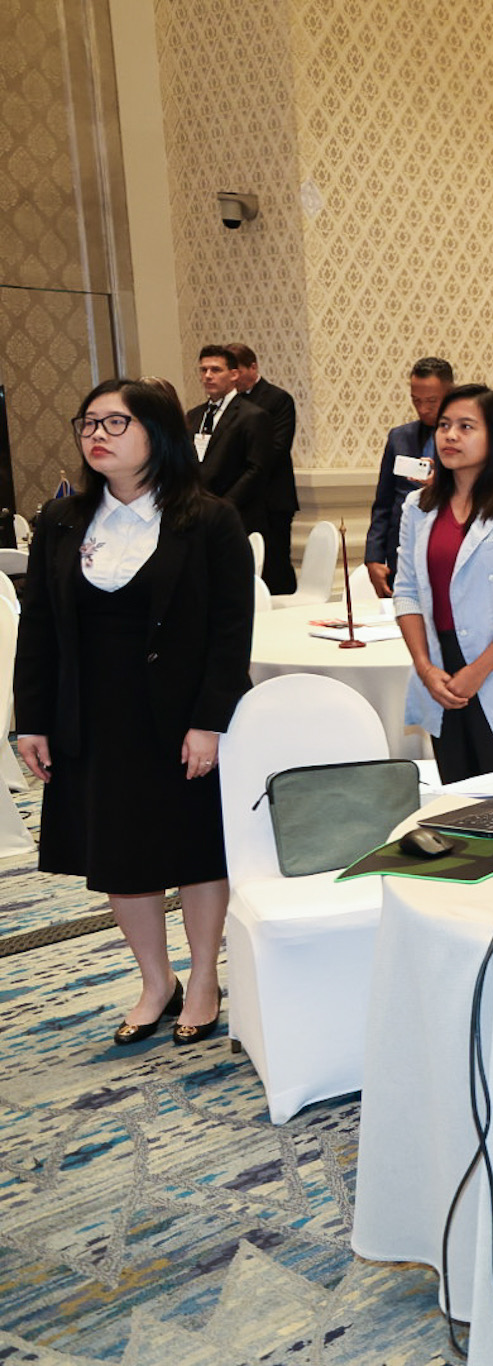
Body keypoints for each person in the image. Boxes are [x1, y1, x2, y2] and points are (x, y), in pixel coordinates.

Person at [16, 379, 255, 1046]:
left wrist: (210, 721)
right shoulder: (61, 520)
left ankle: (203, 978)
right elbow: (38, 627)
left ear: (158, 433)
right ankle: (157, 981)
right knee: (119, 856)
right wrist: (32, 718)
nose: (97, 434)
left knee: (196, 850)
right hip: (93, 719)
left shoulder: (209, 519)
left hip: (181, 720)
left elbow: (231, 632)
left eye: (115, 423)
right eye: (89, 422)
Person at [391, 384, 493, 782]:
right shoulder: (418, 506)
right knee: (457, 798)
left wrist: (478, 671)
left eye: (466, 427)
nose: (450, 436)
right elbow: (407, 593)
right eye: (444, 425)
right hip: (440, 670)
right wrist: (425, 667)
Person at [366, 357, 454, 597]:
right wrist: (373, 556)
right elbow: (383, 503)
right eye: (416, 400)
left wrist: (441, 485)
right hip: (401, 553)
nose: (423, 408)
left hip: (447, 551)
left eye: (431, 401)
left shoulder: (465, 439)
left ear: (450, 394)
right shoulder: (399, 437)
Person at [225, 343, 299, 594]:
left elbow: (277, 449)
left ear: (253, 367)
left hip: (271, 500)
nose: (233, 377)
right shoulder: (227, 404)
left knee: (275, 566)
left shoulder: (277, 399)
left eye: (237, 370)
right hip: (241, 500)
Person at [185, 345, 277, 537]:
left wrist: (224, 506)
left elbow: (257, 469)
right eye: (203, 370)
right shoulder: (194, 416)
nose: (208, 376)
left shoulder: (252, 416)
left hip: (238, 515)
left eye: (216, 370)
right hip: (199, 514)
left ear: (234, 374)